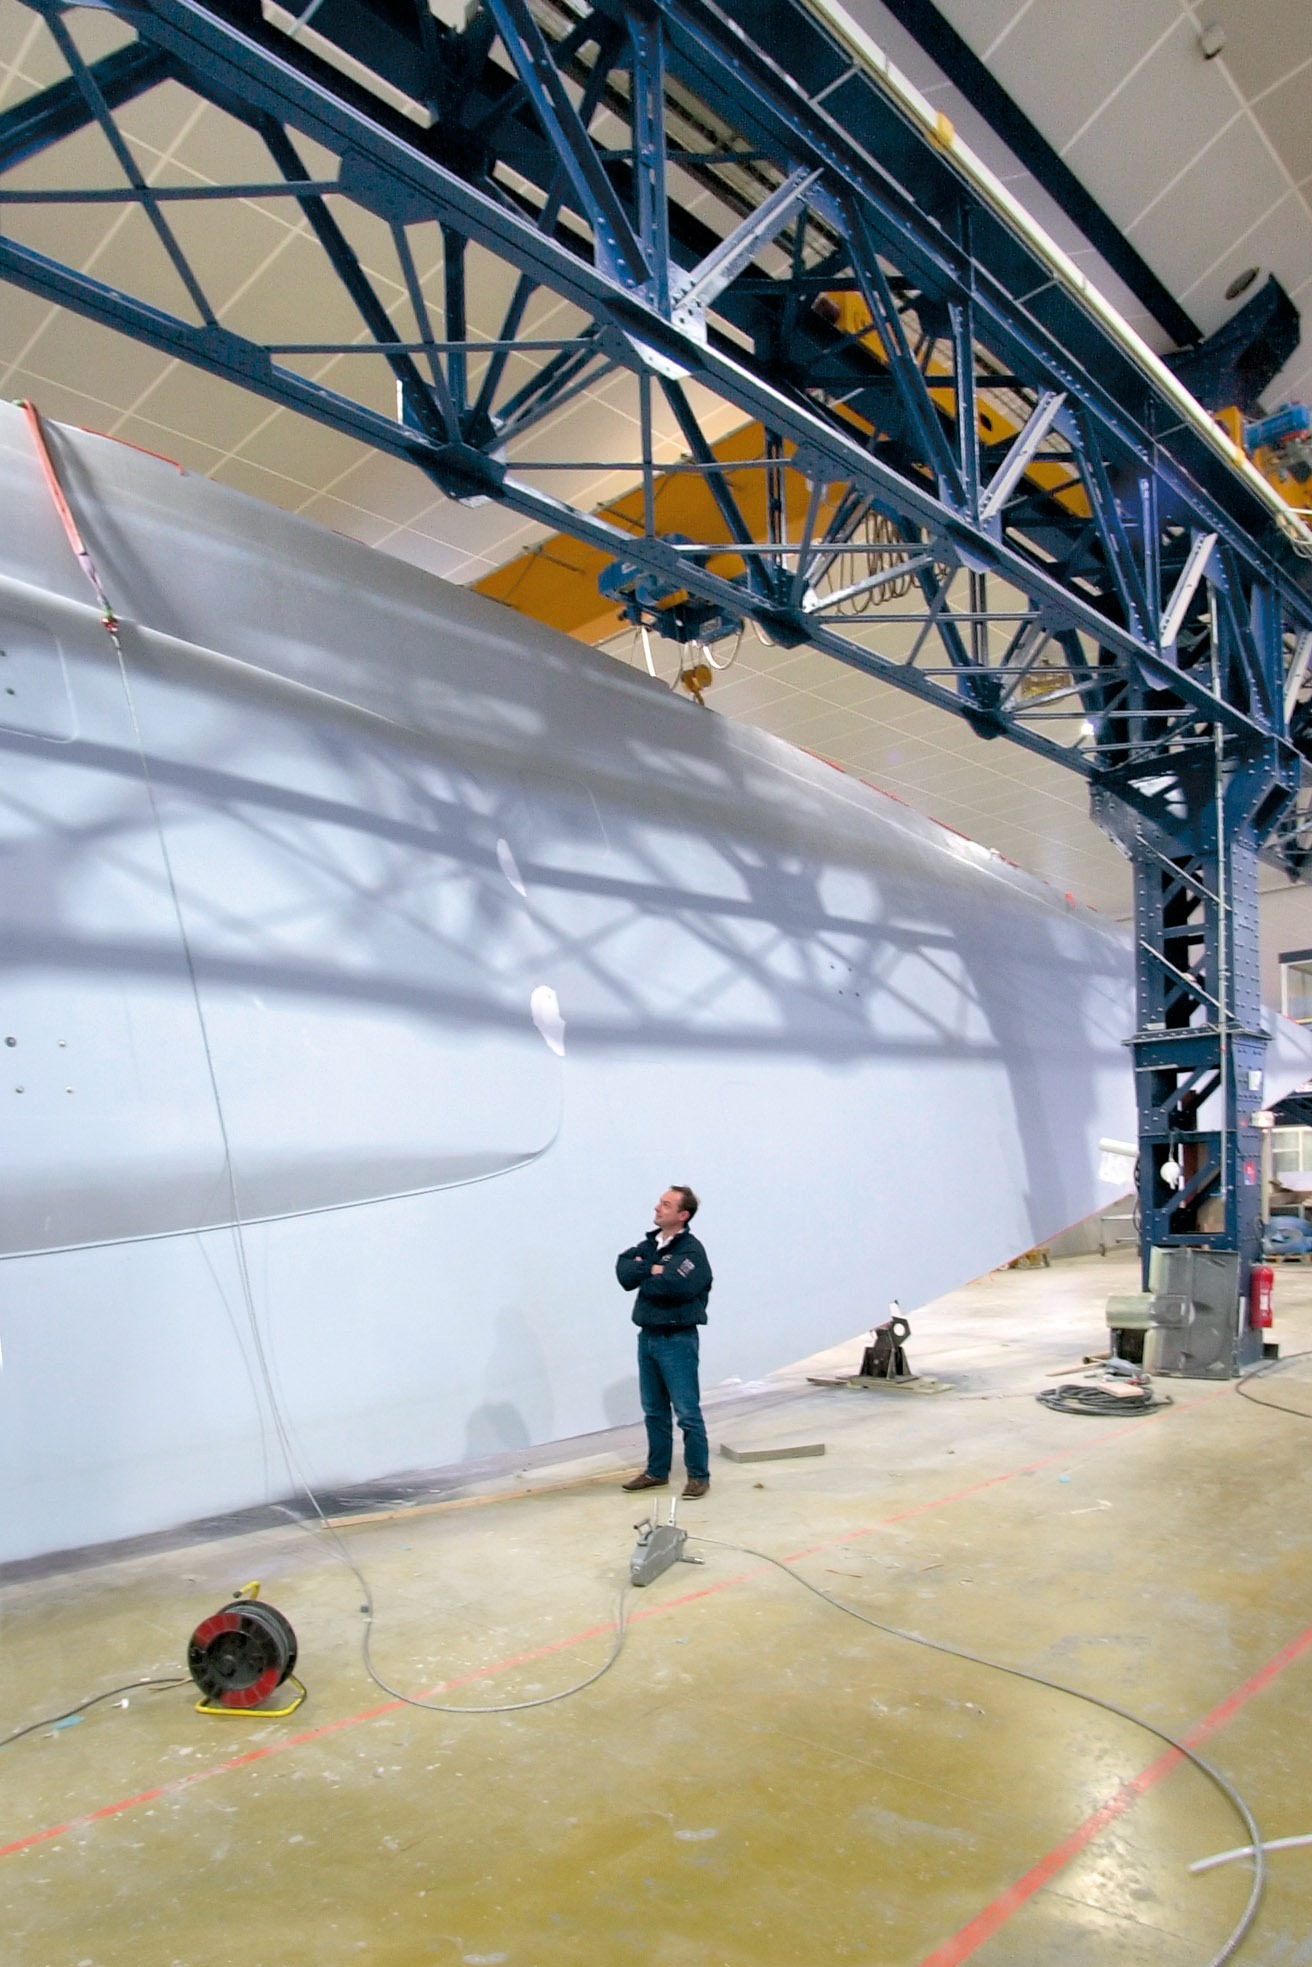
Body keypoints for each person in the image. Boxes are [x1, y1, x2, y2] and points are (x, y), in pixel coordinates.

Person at [616, 1186, 713, 1499]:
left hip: (677, 1340)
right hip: (648, 1338)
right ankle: (657, 1471)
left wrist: (648, 1276)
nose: (657, 1207)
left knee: (686, 1412)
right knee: (654, 1410)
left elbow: (674, 1286)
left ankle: (698, 1476)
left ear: (683, 1215)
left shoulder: (692, 1251)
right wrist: (652, 1269)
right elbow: (623, 1270)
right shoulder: (650, 1244)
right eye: (660, 1202)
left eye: (666, 1204)